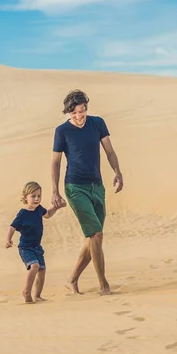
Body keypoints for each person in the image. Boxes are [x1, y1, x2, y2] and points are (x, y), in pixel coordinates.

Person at [51, 89, 123, 295]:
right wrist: (55, 191)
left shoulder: (97, 123)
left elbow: (109, 151)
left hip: (97, 186)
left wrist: (118, 172)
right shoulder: (62, 131)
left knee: (94, 238)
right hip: (75, 187)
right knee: (96, 234)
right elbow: (55, 162)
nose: (78, 116)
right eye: (73, 113)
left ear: (86, 108)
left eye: (81, 111)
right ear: (68, 113)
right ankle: (104, 286)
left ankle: (72, 280)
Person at [6, 181, 64, 303]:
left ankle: (37, 295)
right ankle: (26, 291)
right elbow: (12, 227)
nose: (36, 199)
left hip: (37, 247)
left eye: (39, 196)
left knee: (42, 270)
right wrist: (8, 239)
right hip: (25, 247)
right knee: (35, 266)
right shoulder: (23, 213)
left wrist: (56, 207)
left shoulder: (39, 210)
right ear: (26, 197)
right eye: (33, 196)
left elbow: (47, 215)